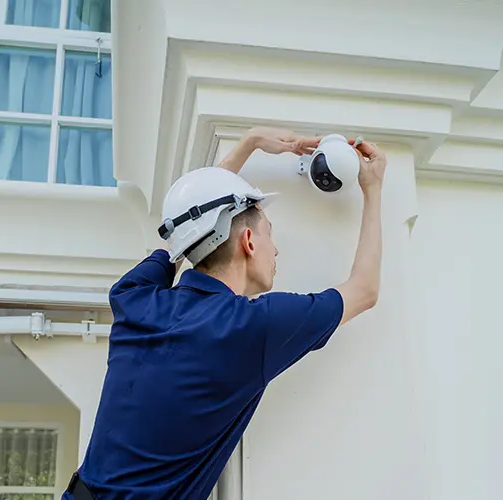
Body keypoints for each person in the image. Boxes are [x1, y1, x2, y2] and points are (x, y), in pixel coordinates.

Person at [63, 127, 387, 500]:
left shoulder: (134, 297)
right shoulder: (253, 327)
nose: (276, 250)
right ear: (249, 242)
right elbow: (364, 290)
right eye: (269, 233)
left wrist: (249, 143)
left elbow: (183, 232)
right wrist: (373, 188)